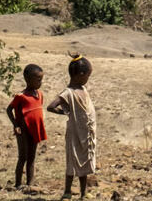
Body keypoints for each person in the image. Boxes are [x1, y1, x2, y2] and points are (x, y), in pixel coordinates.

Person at [47, 55, 98, 198]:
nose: (88, 78)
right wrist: (65, 112)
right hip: (75, 134)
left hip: (86, 134)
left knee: (85, 163)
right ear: (81, 75)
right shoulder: (68, 92)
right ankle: (67, 192)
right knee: (72, 162)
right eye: (88, 75)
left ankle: (83, 193)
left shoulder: (83, 89)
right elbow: (51, 106)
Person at [7, 63, 47, 190]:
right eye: (38, 80)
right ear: (28, 80)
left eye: (41, 79)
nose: (40, 82)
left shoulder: (40, 94)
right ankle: (18, 184)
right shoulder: (21, 96)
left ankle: (30, 184)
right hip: (23, 131)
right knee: (23, 157)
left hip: (34, 131)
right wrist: (15, 125)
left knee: (32, 157)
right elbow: (9, 109)